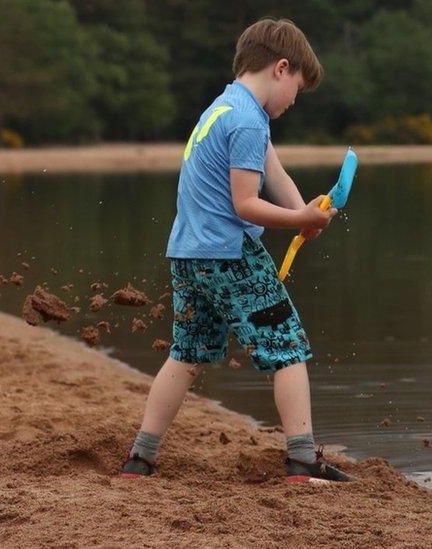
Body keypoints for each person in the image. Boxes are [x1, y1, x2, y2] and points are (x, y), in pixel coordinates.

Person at [120, 17, 353, 483]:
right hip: (231, 257)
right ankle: (303, 459)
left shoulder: (224, 109)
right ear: (281, 68)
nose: (292, 103)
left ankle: (140, 458)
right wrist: (299, 222)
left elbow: (276, 175)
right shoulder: (248, 121)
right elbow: (245, 203)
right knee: (288, 349)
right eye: (297, 90)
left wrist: (302, 213)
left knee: (185, 354)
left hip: (189, 257)